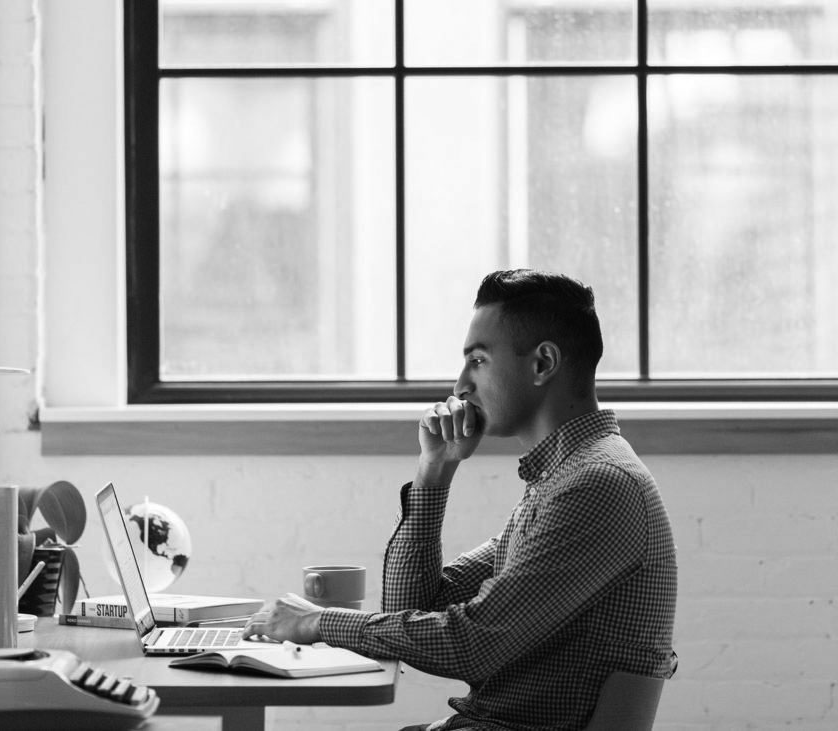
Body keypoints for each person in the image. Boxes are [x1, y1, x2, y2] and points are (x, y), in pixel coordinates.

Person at [243, 269, 678, 730]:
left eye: (479, 360)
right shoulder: (560, 481)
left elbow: (471, 644)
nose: (459, 387)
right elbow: (413, 608)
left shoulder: (596, 486)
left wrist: (316, 622)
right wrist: (435, 472)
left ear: (542, 364)